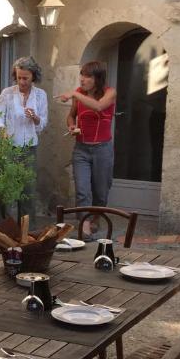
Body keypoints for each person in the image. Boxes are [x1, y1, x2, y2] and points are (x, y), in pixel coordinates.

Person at [57, 60, 118, 237]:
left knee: (101, 191)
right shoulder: (79, 94)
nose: (82, 79)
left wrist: (74, 95)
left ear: (97, 79)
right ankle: (84, 228)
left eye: (87, 76)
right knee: (82, 190)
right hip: (81, 149)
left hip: (103, 150)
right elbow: (71, 116)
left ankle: (95, 220)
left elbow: (98, 106)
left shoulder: (110, 92)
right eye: (81, 75)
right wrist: (71, 126)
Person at [0, 55, 47, 219]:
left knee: (28, 190)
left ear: (33, 76)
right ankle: (3, 228)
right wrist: (2, 131)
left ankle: (27, 232)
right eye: (19, 78)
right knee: (6, 189)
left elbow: (43, 123)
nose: (22, 81)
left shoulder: (40, 95)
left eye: (26, 78)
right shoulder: (7, 93)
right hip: (8, 146)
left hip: (29, 148)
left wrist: (35, 117)